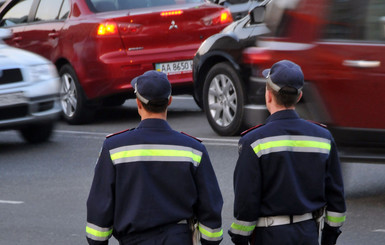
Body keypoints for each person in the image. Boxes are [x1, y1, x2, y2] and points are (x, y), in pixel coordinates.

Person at [86, 70, 223, 245]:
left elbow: (99, 208)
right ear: (170, 101)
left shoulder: (114, 148)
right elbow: (210, 207)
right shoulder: (194, 149)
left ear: (138, 103)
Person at [228, 60, 346, 245]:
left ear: (268, 95)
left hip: (268, 236)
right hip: (308, 233)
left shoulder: (253, 141)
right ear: (299, 96)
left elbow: (246, 201)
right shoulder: (323, 138)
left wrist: (241, 239)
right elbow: (336, 198)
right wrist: (329, 238)